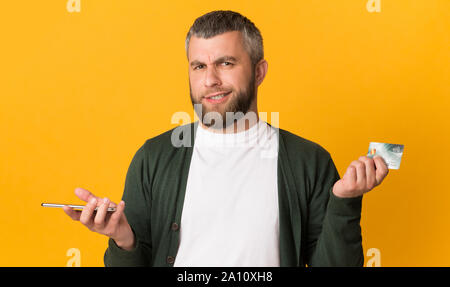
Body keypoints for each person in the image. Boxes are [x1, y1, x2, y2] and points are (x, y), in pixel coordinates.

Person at [63, 10, 389, 267]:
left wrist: (344, 201)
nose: (210, 79)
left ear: (259, 72)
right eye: (198, 66)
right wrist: (123, 241)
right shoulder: (154, 157)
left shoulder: (309, 161)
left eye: (226, 63)